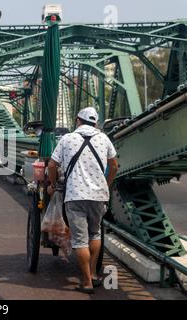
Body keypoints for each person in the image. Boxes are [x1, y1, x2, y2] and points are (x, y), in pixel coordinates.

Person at [48, 107, 118, 294]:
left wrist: (53, 184)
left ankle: (86, 282)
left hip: (75, 195)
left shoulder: (67, 138)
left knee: (80, 240)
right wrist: (107, 184)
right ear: (95, 123)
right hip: (99, 196)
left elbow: (52, 165)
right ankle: (94, 274)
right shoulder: (104, 138)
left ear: (78, 120)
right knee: (94, 234)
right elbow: (114, 165)